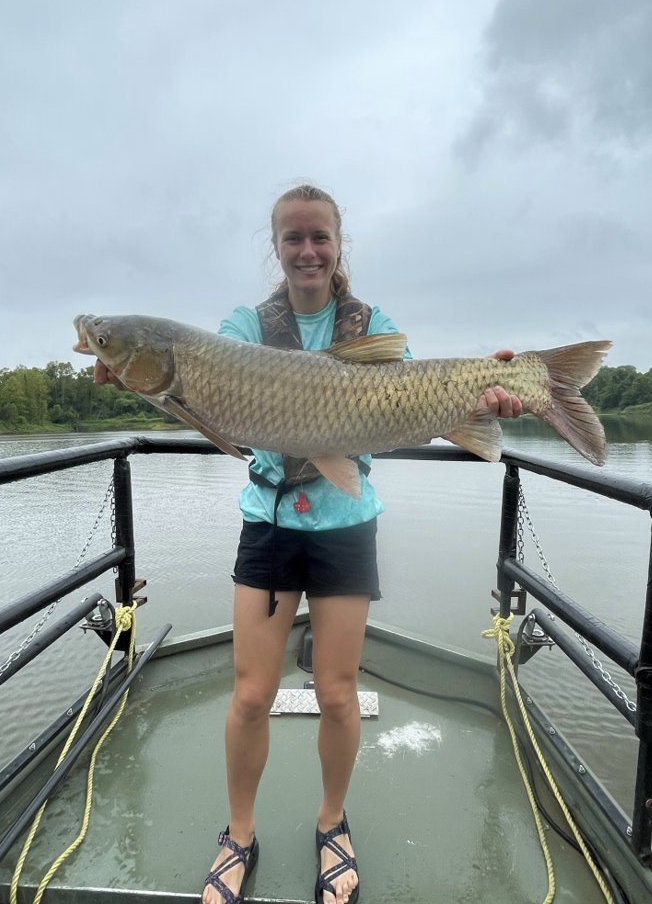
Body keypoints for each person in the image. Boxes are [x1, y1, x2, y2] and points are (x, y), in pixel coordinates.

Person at [94, 183, 522, 904]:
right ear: (277, 247)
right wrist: (131, 377)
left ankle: (332, 823)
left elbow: (414, 390)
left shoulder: (372, 325)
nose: (307, 250)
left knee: (338, 694)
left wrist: (486, 391)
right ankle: (239, 833)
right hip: (269, 524)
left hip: (345, 525)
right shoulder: (242, 329)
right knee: (250, 696)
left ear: (337, 243)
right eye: (292, 238)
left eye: (319, 236)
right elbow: (195, 395)